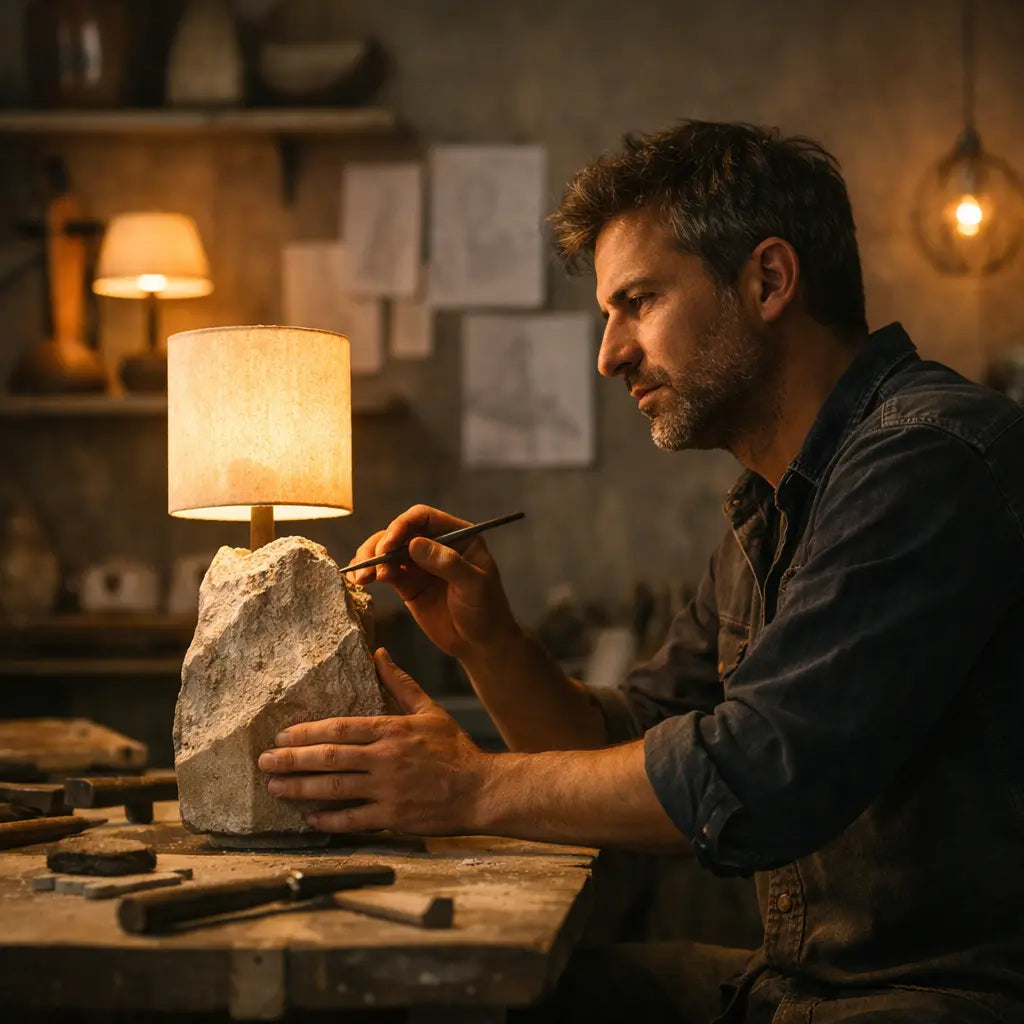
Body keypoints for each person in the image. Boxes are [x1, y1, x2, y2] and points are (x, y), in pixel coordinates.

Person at [257, 121, 1024, 1022]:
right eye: (607, 314)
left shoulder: (929, 460)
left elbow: (752, 777)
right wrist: (490, 644)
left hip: (941, 998)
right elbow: (636, 739)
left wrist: (467, 786)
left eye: (640, 301)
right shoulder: (769, 504)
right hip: (799, 986)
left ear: (769, 280)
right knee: (462, 994)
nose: (609, 352)